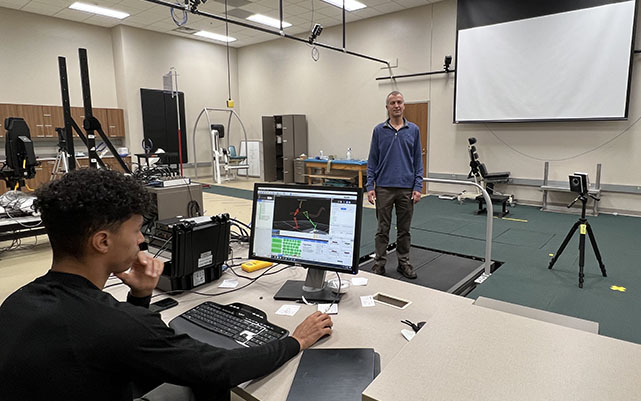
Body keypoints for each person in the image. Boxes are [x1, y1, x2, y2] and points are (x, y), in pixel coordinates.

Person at [0, 168, 333, 401]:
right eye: (136, 231)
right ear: (102, 241)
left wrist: (140, 296)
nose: (142, 239)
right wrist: (295, 341)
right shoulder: (114, 324)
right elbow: (218, 368)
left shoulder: (17, 302)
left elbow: (114, 351)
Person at [366, 91, 424, 279]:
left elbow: (417, 161)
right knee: (382, 229)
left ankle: (403, 263)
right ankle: (379, 263)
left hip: (406, 188)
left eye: (399, 102)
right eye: (393, 103)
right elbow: (372, 160)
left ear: (404, 105)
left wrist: (417, 186)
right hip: (383, 188)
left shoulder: (413, 130)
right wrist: (370, 186)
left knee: (404, 230)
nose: (396, 105)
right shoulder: (378, 131)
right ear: (387, 107)